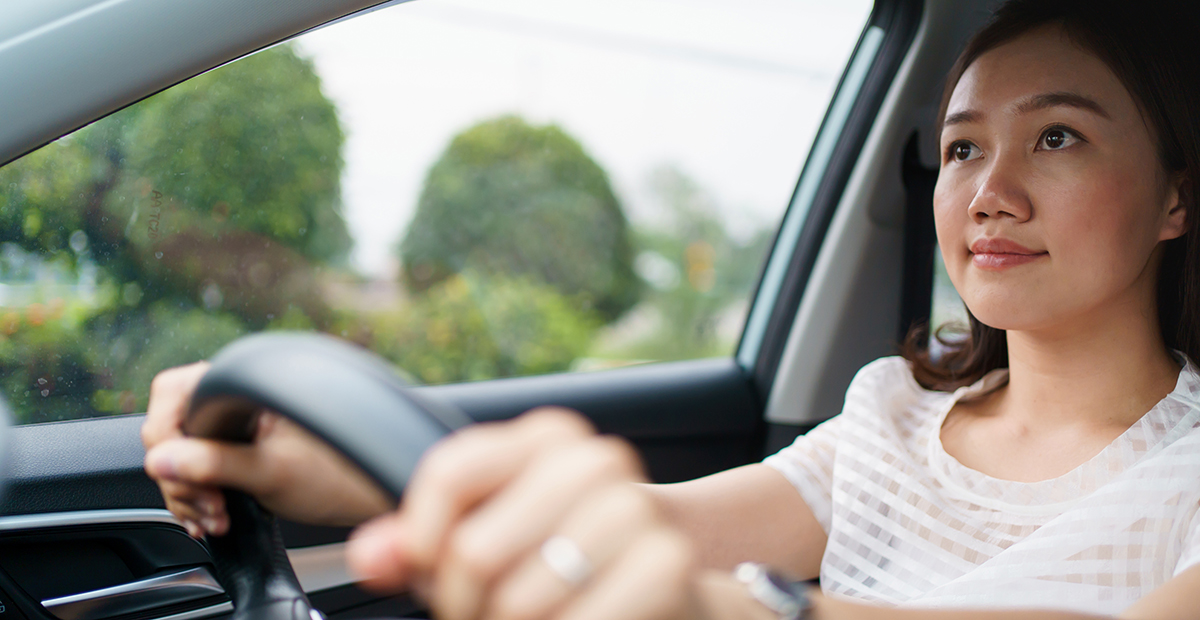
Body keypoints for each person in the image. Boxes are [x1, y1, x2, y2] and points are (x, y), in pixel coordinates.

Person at [140, 1, 1200, 618]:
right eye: (964, 145)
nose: (988, 191)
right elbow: (660, 520)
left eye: (1057, 136)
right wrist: (339, 461)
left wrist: (739, 608)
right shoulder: (889, 419)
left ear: (1174, 196)